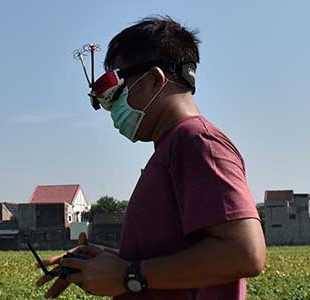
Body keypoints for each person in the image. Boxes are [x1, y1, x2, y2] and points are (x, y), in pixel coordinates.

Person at [37, 16, 265, 299]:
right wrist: (105, 262)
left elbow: (244, 253)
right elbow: (171, 259)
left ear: (155, 79)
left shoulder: (196, 142)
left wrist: (127, 275)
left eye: (115, 94)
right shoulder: (171, 149)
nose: (111, 110)